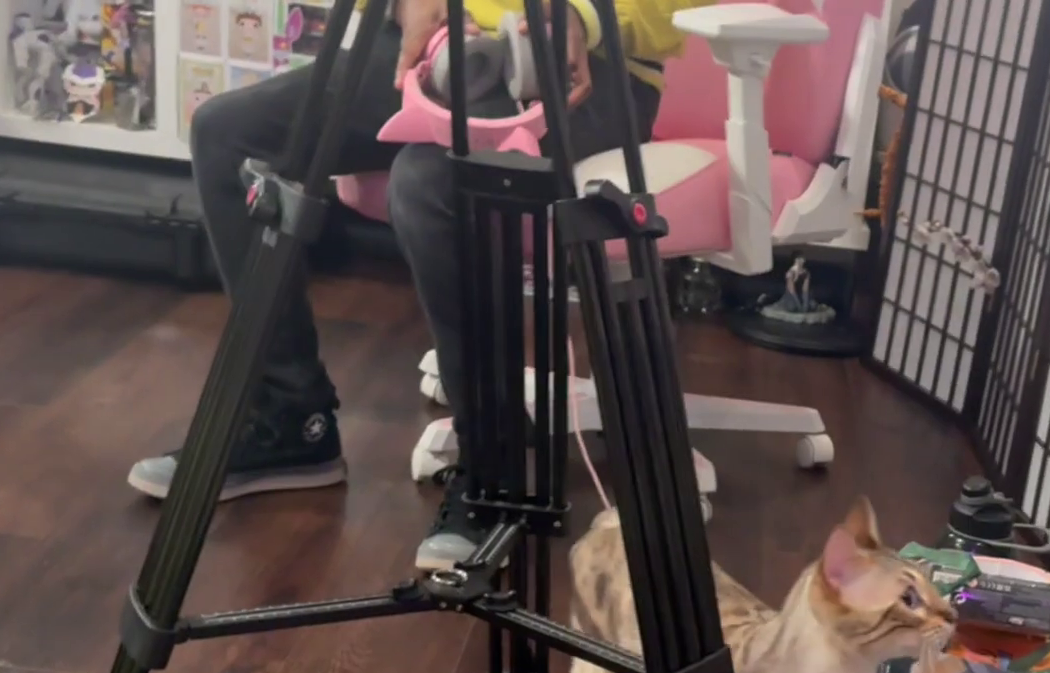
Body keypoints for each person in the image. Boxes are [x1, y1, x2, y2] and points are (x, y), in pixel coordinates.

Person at [129, 0, 713, 570]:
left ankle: (498, 466)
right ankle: (292, 421)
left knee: (428, 183)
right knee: (226, 132)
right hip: (438, 44)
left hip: (583, 67)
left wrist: (583, 17)